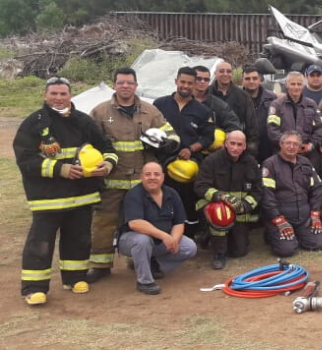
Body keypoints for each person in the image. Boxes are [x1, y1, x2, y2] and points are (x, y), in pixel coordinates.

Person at [14, 77, 116, 305]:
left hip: (82, 195)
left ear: (70, 96)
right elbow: (26, 159)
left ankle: (75, 277)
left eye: (63, 94)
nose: (59, 98)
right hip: (47, 198)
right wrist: (61, 168)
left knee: (78, 239)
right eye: (54, 94)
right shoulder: (34, 123)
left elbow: (107, 147)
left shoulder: (83, 121)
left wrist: (107, 164)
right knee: (41, 243)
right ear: (45, 95)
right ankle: (34, 288)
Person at [87, 67, 177, 283]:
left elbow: (172, 135)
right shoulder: (100, 112)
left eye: (129, 82)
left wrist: (166, 143)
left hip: (142, 181)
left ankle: (141, 261)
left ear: (136, 85)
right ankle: (100, 265)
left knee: (146, 222)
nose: (125, 86)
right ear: (114, 85)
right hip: (112, 180)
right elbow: (88, 143)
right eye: (120, 82)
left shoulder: (150, 111)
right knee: (104, 222)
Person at [118, 162, 198, 295]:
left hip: (160, 241)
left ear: (163, 177)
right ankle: (144, 281)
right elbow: (135, 224)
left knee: (189, 247)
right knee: (142, 240)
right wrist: (165, 236)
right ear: (141, 177)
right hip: (131, 240)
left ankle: (154, 264)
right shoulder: (134, 194)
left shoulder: (172, 194)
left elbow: (179, 223)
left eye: (156, 174)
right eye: (148, 174)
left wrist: (174, 240)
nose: (152, 177)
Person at [154, 67, 215, 237]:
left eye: (190, 83)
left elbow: (208, 137)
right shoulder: (160, 104)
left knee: (188, 203)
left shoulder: (202, 110)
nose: (186, 86)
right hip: (164, 164)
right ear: (176, 81)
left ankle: (188, 238)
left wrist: (191, 149)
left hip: (190, 167)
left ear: (195, 84)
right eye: (183, 82)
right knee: (163, 202)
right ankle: (163, 236)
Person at [194, 130, 262, 269]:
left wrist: (245, 205)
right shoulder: (212, 160)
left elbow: (258, 190)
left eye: (239, 144)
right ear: (225, 143)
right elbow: (200, 186)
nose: (235, 148)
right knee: (220, 215)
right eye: (232, 143)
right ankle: (219, 253)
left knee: (239, 251)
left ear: (244, 146)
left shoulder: (250, 162)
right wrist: (221, 196)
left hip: (239, 211)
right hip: (217, 207)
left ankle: (209, 236)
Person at [261, 131, 322, 257]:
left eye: (295, 144)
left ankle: (295, 235)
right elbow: (266, 194)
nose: (291, 147)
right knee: (286, 250)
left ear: (300, 147)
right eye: (288, 143)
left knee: (319, 244)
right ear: (281, 144)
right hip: (281, 216)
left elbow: (317, 188)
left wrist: (315, 213)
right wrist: (277, 219)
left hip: (303, 217)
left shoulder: (305, 162)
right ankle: (273, 234)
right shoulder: (270, 164)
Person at [267, 71, 322, 158]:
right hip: (282, 155)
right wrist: (289, 145)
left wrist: (311, 145)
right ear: (286, 85)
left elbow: (319, 128)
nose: (296, 87)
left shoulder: (311, 105)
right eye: (293, 84)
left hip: (307, 155)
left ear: (303, 86)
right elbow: (272, 130)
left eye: (299, 84)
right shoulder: (277, 105)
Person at [210, 62, 258, 155]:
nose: (225, 74)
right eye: (221, 71)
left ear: (232, 74)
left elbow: (252, 126)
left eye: (228, 71)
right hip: (211, 150)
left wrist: (251, 150)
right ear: (215, 74)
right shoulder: (207, 94)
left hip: (237, 150)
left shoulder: (243, 96)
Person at [241, 65, 278, 162]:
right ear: (242, 81)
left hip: (268, 147)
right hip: (245, 146)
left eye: (254, 78)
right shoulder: (237, 98)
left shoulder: (272, 98)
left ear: (260, 79)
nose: (251, 81)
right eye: (247, 79)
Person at [192, 66, 241, 139]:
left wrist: (225, 138)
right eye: (198, 79)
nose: (202, 81)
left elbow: (234, 126)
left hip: (211, 148)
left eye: (206, 79)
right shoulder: (180, 101)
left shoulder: (219, 105)